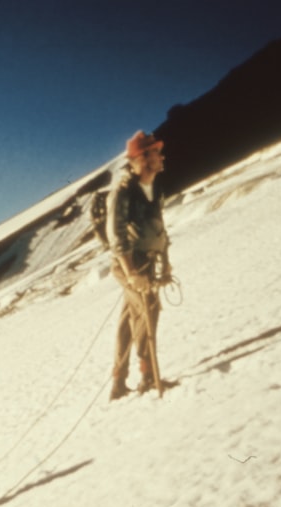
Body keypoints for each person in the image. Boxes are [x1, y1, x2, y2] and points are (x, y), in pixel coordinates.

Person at [107, 130, 174, 400]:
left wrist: (165, 261)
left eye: (156, 152)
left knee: (128, 320)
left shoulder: (154, 188)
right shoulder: (123, 192)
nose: (156, 157)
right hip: (131, 265)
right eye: (150, 153)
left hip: (148, 261)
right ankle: (148, 376)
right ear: (137, 160)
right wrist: (132, 273)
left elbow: (159, 228)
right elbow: (116, 235)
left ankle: (118, 382)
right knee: (147, 312)